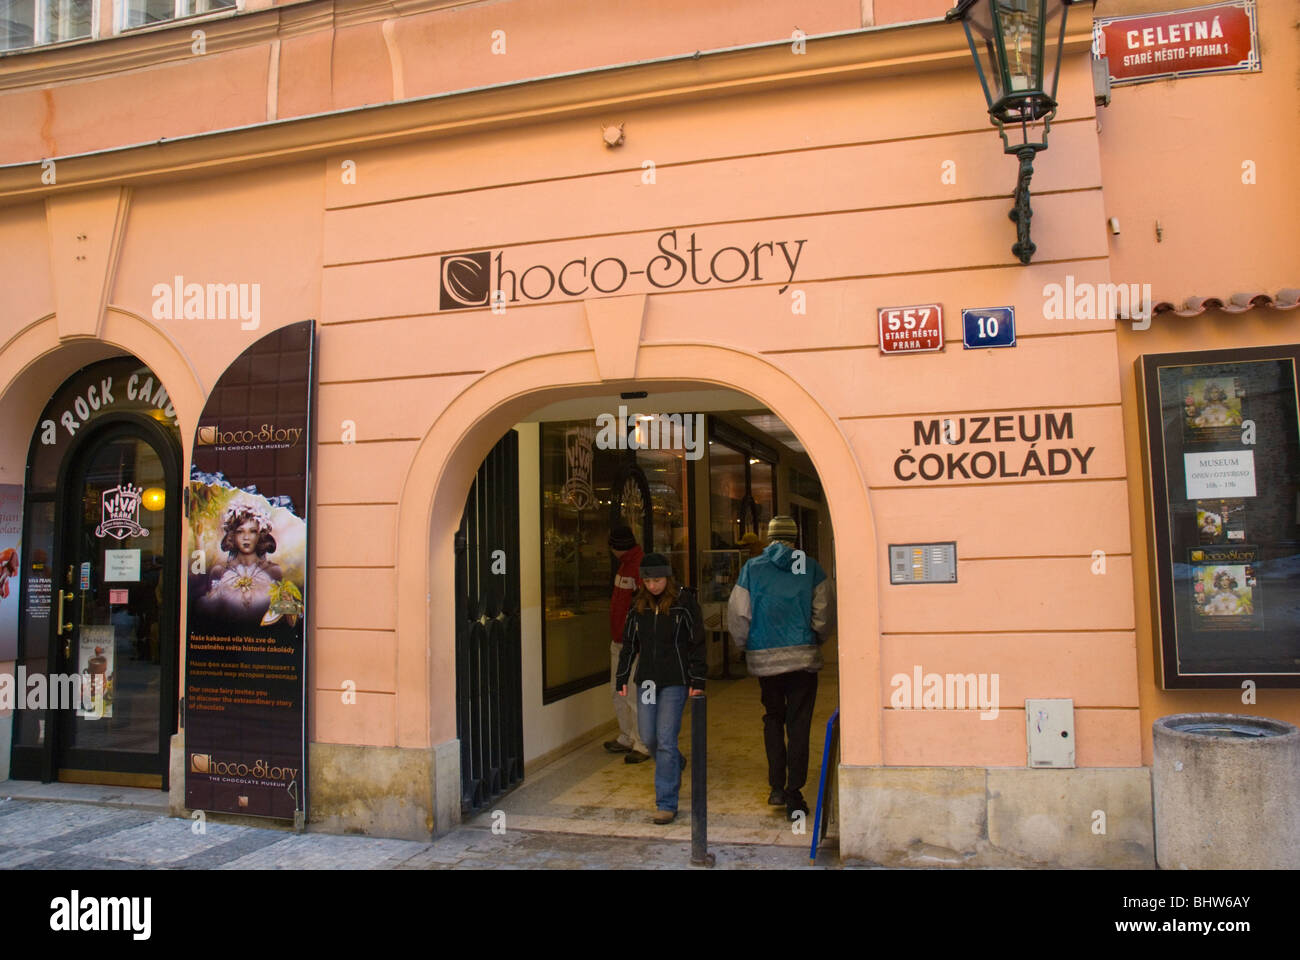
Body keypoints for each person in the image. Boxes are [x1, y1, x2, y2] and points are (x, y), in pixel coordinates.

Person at [727, 515, 835, 821]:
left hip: (767, 662)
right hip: (802, 659)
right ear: (794, 538)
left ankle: (776, 785)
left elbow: (738, 614)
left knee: (772, 719)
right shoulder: (810, 567)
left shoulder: (752, 568)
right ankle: (794, 792)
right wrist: (815, 639)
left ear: (770, 537)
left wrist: (746, 646)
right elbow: (824, 612)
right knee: (798, 724)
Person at [616, 553, 706, 824]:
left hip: (675, 681)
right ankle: (675, 763)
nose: (653, 586)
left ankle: (666, 802)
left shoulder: (684, 603)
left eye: (657, 580)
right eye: (648, 581)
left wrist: (697, 679)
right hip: (647, 681)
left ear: (667, 578)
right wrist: (621, 676)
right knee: (648, 737)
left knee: (666, 738)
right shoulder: (638, 605)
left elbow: (697, 642)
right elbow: (629, 643)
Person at [605, 525, 650, 762]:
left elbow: (645, 606)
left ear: (616, 546)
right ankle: (627, 736)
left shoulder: (639, 567)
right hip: (619, 640)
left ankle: (641, 743)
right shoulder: (625, 566)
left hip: (633, 643)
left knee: (633, 693)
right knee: (617, 691)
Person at [202, 501, 283, 624]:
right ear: (232, 535)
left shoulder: (273, 571)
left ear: (260, 535)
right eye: (240, 531)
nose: (246, 537)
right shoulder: (219, 571)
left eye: (252, 531)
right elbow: (208, 616)